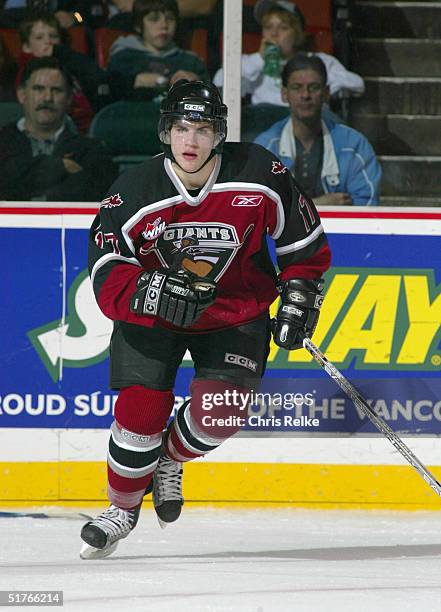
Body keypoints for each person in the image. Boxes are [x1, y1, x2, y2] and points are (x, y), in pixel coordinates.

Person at [80, 78, 331, 559]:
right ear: (165, 133)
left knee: (222, 413)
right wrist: (150, 290)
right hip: (154, 316)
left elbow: (304, 244)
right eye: (179, 128)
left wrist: (299, 294)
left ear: (219, 134)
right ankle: (122, 511)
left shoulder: (259, 172)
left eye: (201, 129)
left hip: (234, 309)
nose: (189, 141)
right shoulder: (132, 190)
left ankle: (169, 460)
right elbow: (105, 272)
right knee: (140, 415)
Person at [255, 54, 381, 205]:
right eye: (297, 87)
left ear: (326, 93)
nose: (305, 95)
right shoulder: (265, 148)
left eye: (313, 87)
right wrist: (319, 204)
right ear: (284, 94)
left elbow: (367, 206)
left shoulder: (354, 145)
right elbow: (258, 209)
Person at [0, 56, 118, 201]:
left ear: (69, 99)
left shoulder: (91, 149)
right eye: (38, 89)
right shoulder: (3, 141)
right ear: (21, 95)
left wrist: (24, 175)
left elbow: (101, 192)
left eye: (56, 90)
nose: (47, 98)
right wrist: (60, 167)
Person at [213, 0, 365, 107]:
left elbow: (356, 84)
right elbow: (219, 82)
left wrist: (321, 91)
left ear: (297, 34)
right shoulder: (252, 63)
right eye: (268, 27)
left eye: (283, 28)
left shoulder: (317, 61)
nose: (274, 33)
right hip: (264, 122)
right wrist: (260, 59)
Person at [16, 10, 111, 132]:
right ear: (26, 47)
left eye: (53, 36)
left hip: (91, 125)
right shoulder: (25, 71)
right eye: (39, 38)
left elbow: (90, 15)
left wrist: (76, 17)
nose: (48, 41)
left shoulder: (71, 63)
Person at [108, 0, 208, 101]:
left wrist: (197, 83)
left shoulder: (191, 61)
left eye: (170, 18)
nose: (164, 25)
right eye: (154, 19)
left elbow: (212, 97)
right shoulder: (124, 58)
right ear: (138, 25)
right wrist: (133, 82)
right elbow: (108, 93)